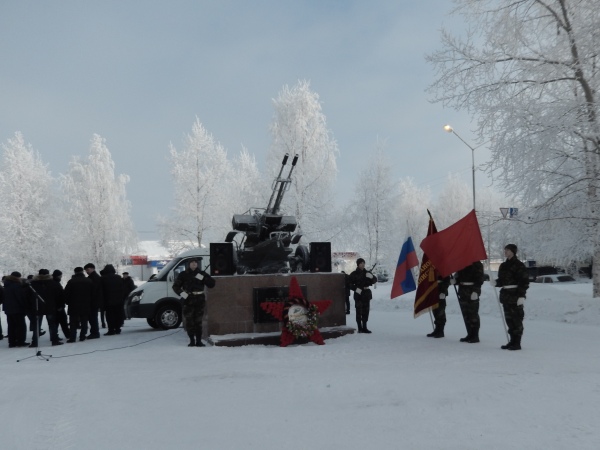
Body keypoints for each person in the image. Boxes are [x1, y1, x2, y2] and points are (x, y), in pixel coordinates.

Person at [172, 258, 215, 347]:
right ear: (189, 264)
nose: (194, 264)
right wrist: (183, 294)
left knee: (198, 321)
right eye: (192, 262)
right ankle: (192, 340)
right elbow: (176, 286)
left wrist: (202, 277)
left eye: (196, 262)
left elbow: (211, 284)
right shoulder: (183, 274)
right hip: (188, 300)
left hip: (199, 300)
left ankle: (199, 341)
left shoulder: (201, 274)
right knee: (189, 321)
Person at [496, 244, 529, 350]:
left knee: (516, 319)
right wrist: (496, 283)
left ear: (513, 251)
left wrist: (521, 296)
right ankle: (512, 341)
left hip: (515, 295)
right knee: (509, 320)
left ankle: (517, 342)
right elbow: (501, 280)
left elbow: (524, 281)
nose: (505, 251)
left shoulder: (519, 265)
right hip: (506, 296)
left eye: (508, 250)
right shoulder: (503, 265)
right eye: (505, 249)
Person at [29, 269, 64, 346]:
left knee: (37, 325)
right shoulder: (54, 283)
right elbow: (60, 295)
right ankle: (54, 340)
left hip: (37, 306)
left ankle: (34, 342)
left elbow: (28, 296)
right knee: (52, 324)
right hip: (50, 306)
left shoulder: (32, 284)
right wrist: (59, 306)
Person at [453, 261, 485, 343]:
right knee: (466, 314)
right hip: (463, 291)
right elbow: (459, 277)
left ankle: (475, 336)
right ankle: (469, 334)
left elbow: (479, 279)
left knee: (473, 314)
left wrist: (475, 291)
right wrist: (455, 281)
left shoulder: (477, 264)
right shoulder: (462, 263)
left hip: (472, 291)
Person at [64, 267, 93, 342]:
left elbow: (66, 293)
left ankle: (72, 337)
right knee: (84, 321)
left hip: (73, 304)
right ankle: (82, 336)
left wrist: (68, 302)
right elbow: (93, 293)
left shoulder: (71, 282)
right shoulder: (89, 281)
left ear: (75, 272)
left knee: (73, 322)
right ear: (82, 272)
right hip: (86, 304)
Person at [349, 258, 377, 333]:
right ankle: (359, 328)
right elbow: (349, 284)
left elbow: (374, 280)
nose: (363, 264)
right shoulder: (354, 274)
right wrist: (356, 289)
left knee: (366, 311)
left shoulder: (367, 272)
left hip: (366, 294)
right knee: (359, 311)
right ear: (358, 264)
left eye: (363, 263)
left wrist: (371, 277)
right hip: (359, 295)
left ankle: (365, 327)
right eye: (361, 263)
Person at [2, 272, 29, 347]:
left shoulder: (6, 285)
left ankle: (12, 342)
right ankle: (21, 341)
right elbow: (20, 297)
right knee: (21, 326)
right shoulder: (16, 285)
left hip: (8, 309)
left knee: (11, 326)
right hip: (17, 309)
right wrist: (25, 306)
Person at [100, 264, 125, 335]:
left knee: (109, 315)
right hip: (118, 300)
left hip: (108, 300)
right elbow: (122, 289)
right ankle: (117, 328)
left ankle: (111, 329)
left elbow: (101, 290)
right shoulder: (118, 277)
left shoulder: (103, 278)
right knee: (118, 314)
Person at [84, 263, 103, 339]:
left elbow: (93, 291)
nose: (86, 271)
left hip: (93, 301)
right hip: (94, 300)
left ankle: (95, 333)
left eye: (88, 270)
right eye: (86, 270)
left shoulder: (94, 278)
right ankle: (94, 332)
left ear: (92, 269)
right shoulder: (94, 277)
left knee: (93, 317)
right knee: (92, 317)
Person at [52, 269, 70, 339]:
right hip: (59, 306)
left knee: (56, 322)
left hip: (54, 306)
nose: (61, 277)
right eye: (60, 276)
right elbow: (59, 296)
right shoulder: (56, 284)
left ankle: (54, 336)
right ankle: (67, 334)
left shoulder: (53, 283)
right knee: (63, 321)